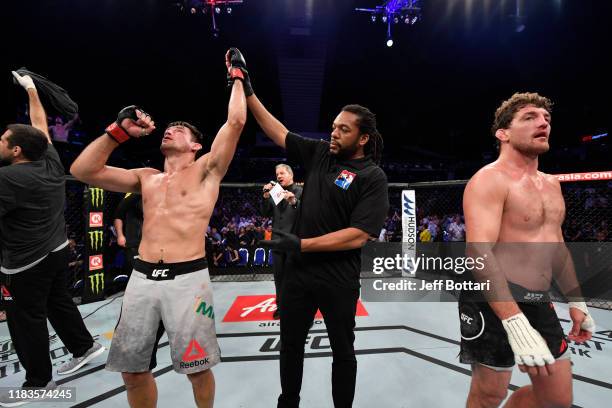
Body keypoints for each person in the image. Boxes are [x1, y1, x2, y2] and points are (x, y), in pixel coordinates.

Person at [69, 49, 246, 408]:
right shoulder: (147, 178)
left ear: (196, 145)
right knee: (132, 371)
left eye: (179, 130)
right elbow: (83, 171)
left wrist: (238, 78)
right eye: (168, 129)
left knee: (197, 369)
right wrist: (116, 133)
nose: (170, 130)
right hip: (142, 277)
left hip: (187, 278)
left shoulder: (207, 169)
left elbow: (236, 123)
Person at [235, 49, 388, 407]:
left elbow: (358, 234)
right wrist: (248, 91)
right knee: (290, 346)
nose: (333, 132)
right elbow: (278, 131)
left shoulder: (371, 177)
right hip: (299, 276)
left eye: (343, 129)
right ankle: (288, 401)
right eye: (333, 126)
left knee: (342, 350)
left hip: (338, 276)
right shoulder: (320, 154)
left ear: (362, 138)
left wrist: (302, 244)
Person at [460, 92, 596, 408]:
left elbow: (558, 247)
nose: (543, 123)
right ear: (503, 133)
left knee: (556, 398)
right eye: (530, 117)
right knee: (489, 394)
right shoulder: (489, 180)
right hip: (491, 298)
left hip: (537, 297)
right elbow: (478, 252)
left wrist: (577, 301)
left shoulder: (551, 183)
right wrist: (514, 321)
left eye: (546, 119)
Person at [0, 72, 104, 405]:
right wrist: (32, 90)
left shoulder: (9, 178)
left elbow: (37, 129)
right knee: (57, 302)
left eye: (2, 140)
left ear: (16, 151)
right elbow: (39, 125)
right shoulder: (50, 160)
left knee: (25, 319)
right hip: (56, 250)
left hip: (25, 263)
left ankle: (38, 381)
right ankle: (84, 346)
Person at [260, 164, 302, 319]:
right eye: (277, 174)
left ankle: (299, 309)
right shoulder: (276, 192)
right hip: (277, 241)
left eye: (282, 173)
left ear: (290, 174)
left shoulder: (300, 191)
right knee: (279, 277)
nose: (278, 176)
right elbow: (265, 213)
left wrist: (293, 201)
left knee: (296, 278)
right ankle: (281, 307)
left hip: (294, 242)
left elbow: (306, 213)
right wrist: (265, 197)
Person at [113, 192, 143, 276]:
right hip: (134, 241)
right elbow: (118, 215)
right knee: (134, 273)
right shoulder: (134, 194)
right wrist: (120, 235)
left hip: (150, 242)